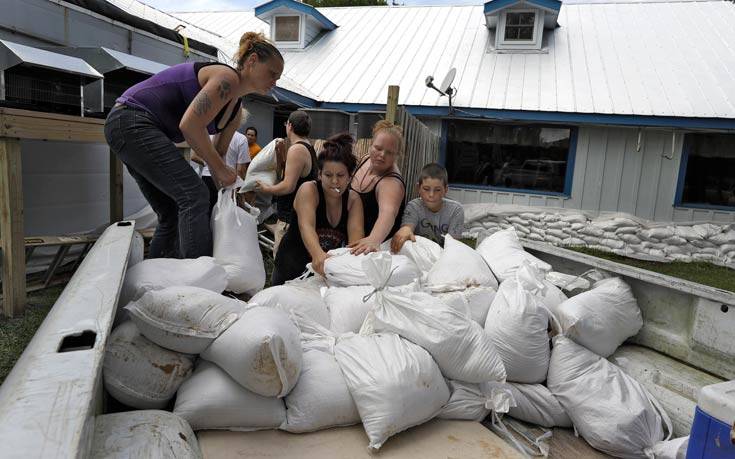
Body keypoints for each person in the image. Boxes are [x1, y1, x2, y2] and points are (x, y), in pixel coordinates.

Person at [105, 31, 283, 259]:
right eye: (272, 73)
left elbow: (218, 155)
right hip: (130, 120)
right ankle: (198, 279)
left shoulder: (236, 112)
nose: (274, 82)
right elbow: (190, 126)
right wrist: (220, 169)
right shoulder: (226, 78)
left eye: (278, 78)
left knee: (170, 210)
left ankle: (156, 281)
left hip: (133, 128)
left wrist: (231, 193)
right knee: (195, 195)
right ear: (252, 61)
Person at [271, 133, 364, 285]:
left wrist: (349, 267)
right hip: (291, 267)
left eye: (340, 175)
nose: (334, 181)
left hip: (324, 273)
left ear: (349, 177)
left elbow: (355, 242)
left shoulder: (353, 201)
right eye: (328, 175)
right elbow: (306, 226)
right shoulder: (309, 190)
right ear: (320, 174)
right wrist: (317, 254)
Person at [255, 110, 318, 252]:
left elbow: (288, 186)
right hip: (298, 215)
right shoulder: (307, 146)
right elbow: (290, 175)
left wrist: (265, 189)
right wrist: (281, 155)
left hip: (291, 218)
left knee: (283, 265)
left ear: (289, 126)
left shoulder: (297, 149)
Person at [348, 120, 406, 255]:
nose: (382, 155)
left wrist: (374, 239)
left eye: (390, 152)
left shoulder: (391, 183)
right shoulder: (365, 159)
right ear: (370, 145)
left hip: (374, 251)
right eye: (378, 148)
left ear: (397, 155)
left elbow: (388, 213)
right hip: (352, 239)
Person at [390, 163, 465, 253]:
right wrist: (405, 230)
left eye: (437, 190)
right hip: (420, 253)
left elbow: (454, 246)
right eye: (426, 189)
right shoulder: (414, 207)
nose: (431, 195)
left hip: (444, 256)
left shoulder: (456, 210)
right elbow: (407, 228)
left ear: (445, 190)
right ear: (418, 188)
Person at [191, 126, 251, 214]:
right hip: (229, 181)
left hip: (207, 178)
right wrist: (239, 190)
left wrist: (208, 164)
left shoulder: (207, 134)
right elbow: (240, 169)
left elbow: (193, 156)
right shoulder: (241, 138)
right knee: (226, 215)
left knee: (208, 212)